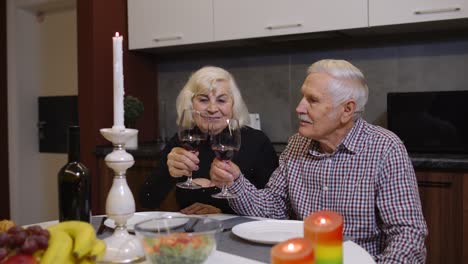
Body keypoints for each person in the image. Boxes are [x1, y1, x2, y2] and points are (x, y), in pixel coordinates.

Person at [210, 59, 428, 262]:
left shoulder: (385, 148)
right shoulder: (297, 144)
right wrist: (234, 181)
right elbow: (272, 209)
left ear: (347, 110)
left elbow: (408, 234)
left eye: (312, 100)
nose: (299, 108)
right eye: (302, 97)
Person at [139, 66, 279, 215]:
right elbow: (147, 200)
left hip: (240, 231)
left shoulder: (257, 142)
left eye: (221, 100)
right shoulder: (182, 141)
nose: (212, 108)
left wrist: (223, 212)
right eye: (203, 100)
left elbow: (274, 207)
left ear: (233, 105)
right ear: (190, 104)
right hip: (193, 233)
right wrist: (168, 172)